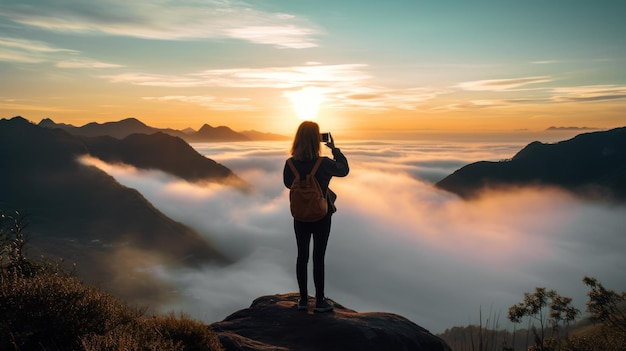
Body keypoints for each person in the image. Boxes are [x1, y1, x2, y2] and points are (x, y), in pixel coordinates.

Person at [283, 121, 349, 312]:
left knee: (301, 256)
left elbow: (289, 184)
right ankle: (320, 301)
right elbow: (344, 170)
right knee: (318, 257)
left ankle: (303, 300)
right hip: (322, 215)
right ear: (316, 140)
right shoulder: (324, 164)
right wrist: (335, 150)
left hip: (300, 215)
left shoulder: (290, 164)